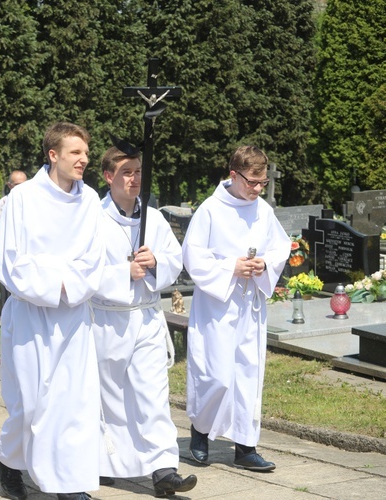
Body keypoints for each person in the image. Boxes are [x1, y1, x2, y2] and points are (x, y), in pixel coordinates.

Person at [0, 122, 105, 500]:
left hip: (73, 314)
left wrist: (68, 285)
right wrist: (53, 284)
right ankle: (9, 461)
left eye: (86, 153)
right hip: (31, 313)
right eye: (76, 153)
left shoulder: (90, 200)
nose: (84, 160)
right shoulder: (22, 199)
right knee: (31, 404)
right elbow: (10, 260)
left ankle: (66, 483)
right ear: (53, 155)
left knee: (73, 401)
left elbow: (95, 258)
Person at [91, 145, 197, 496]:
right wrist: (125, 272)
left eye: (138, 171)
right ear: (109, 177)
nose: (134, 178)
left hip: (147, 317)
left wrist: (154, 264)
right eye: (126, 172)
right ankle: (106, 462)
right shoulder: (92, 219)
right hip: (107, 319)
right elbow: (84, 270)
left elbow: (174, 260)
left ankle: (163, 467)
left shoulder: (154, 218)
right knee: (108, 396)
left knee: (153, 393)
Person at [182, 146, 289, 472]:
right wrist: (232, 267)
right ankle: (200, 433)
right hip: (218, 305)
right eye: (252, 182)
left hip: (249, 306)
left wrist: (264, 263)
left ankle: (245, 447)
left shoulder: (263, 211)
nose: (257, 189)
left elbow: (280, 246)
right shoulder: (211, 210)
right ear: (233, 175)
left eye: (262, 182)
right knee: (215, 374)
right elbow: (192, 255)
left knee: (247, 374)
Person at [0, 169, 27, 243]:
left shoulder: (33, 201)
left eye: (24, 184)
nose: (21, 187)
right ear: (9, 185)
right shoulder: (2, 204)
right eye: (17, 185)